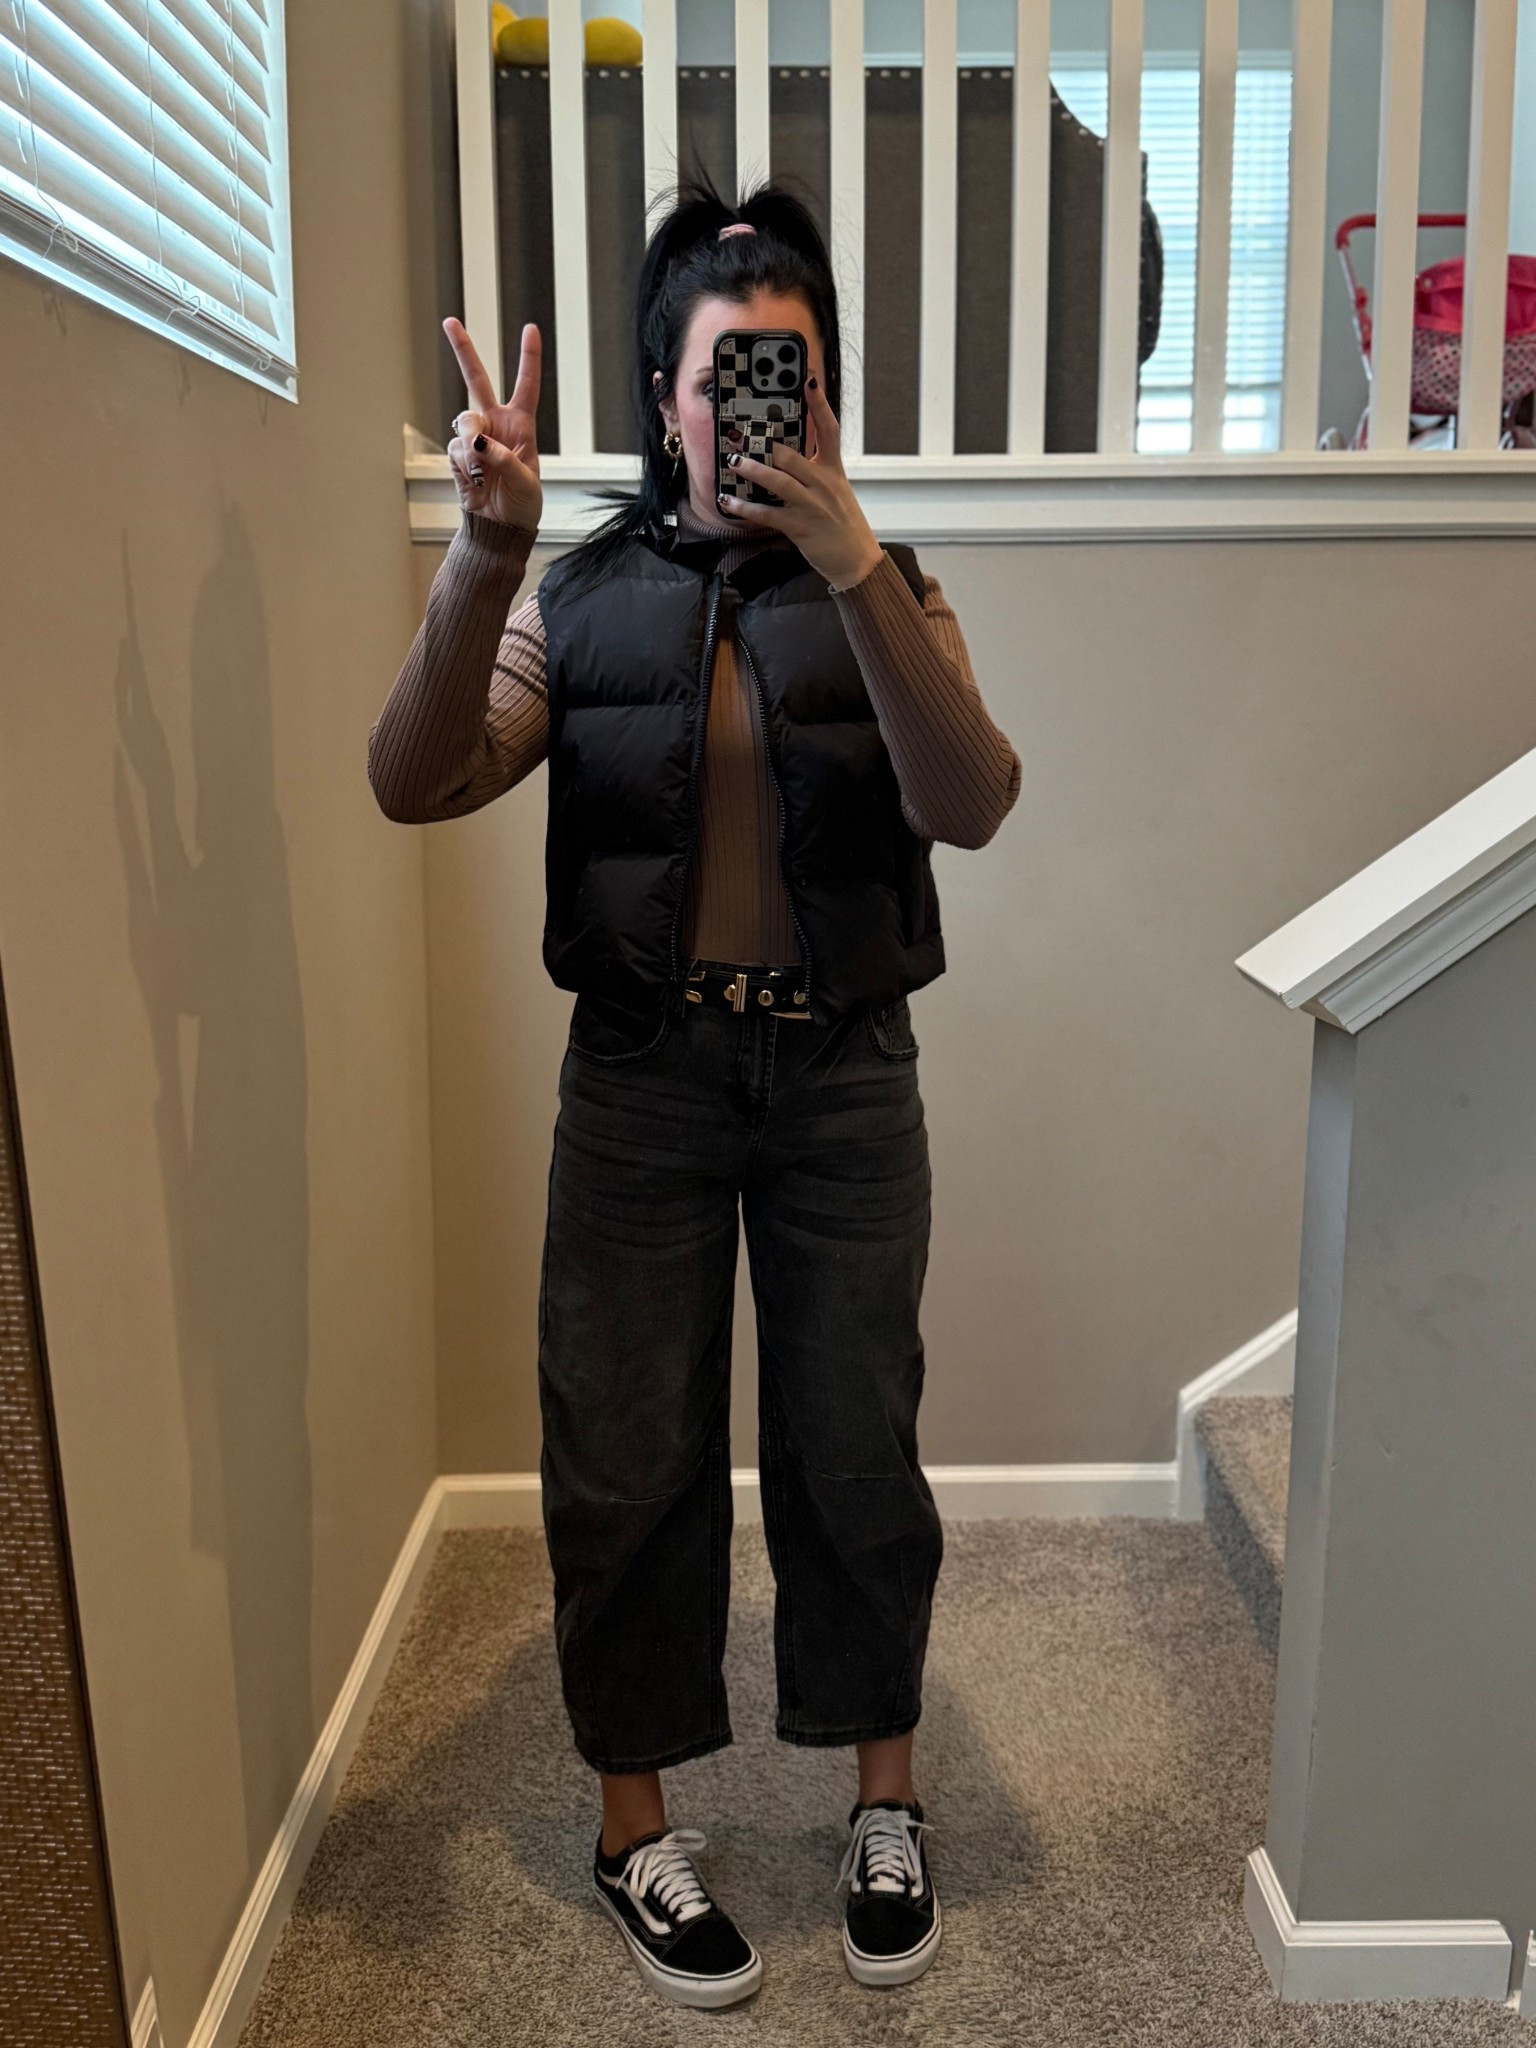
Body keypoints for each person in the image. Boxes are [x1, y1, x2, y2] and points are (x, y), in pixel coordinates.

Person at [368, 177, 1021, 2010]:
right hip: (644, 1084)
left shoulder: (893, 589)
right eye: (726, 374)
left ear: (830, 398)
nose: (757, 409)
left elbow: (970, 800)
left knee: (855, 1445)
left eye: (790, 374)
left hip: (843, 1081)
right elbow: (414, 777)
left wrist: (856, 563)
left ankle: (884, 1800)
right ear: (664, 399)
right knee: (625, 1457)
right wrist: (484, 547)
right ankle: (632, 1825)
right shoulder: (579, 600)